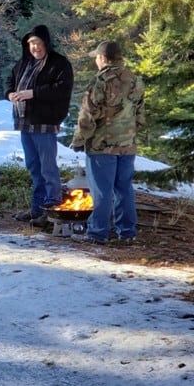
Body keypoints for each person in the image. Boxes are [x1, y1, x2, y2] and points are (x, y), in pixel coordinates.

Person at [70, 41, 145, 245]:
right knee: (124, 189)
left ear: (103, 58)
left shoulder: (101, 80)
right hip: (127, 145)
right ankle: (127, 232)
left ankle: (98, 233)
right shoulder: (135, 80)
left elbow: (88, 115)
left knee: (102, 191)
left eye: (96, 57)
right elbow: (140, 114)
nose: (95, 60)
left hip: (102, 145)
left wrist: (79, 140)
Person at [6, 25, 74, 227]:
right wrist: (10, 94)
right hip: (25, 122)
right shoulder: (23, 63)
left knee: (47, 168)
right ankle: (37, 209)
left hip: (45, 122)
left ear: (46, 43)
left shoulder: (59, 64)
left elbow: (61, 89)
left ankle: (52, 209)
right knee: (34, 167)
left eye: (38, 43)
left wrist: (32, 93)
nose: (34, 48)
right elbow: (9, 82)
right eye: (31, 44)